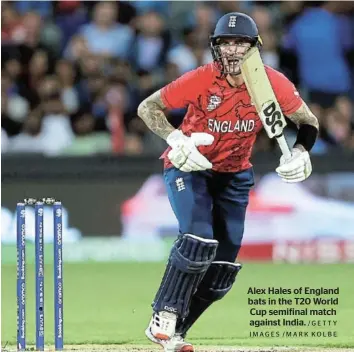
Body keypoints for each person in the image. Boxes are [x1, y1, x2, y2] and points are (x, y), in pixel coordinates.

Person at [137, 12, 319, 352]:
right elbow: (149, 108)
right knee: (197, 238)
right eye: (225, 44)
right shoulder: (201, 79)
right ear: (215, 49)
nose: (233, 51)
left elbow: (306, 120)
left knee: (222, 269)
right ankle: (163, 315)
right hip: (190, 166)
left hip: (234, 175)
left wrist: (300, 151)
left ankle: (175, 332)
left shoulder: (270, 82)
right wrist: (176, 139)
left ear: (255, 48)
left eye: (241, 44)